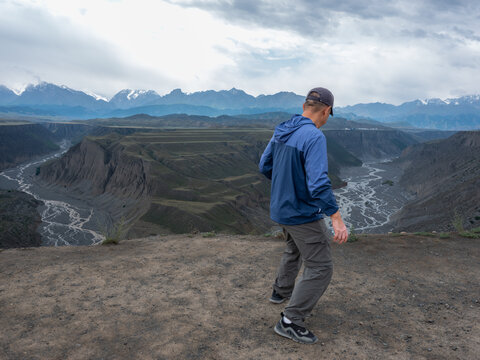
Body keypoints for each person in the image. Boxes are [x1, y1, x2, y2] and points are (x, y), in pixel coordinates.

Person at [259, 87, 348, 344]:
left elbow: (264, 166)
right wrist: (335, 217)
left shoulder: (282, 130)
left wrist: (284, 187)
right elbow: (319, 183)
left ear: (304, 105)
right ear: (326, 110)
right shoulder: (314, 137)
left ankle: (280, 291)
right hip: (301, 213)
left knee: (293, 249)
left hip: (280, 208)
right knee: (321, 267)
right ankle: (290, 321)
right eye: (329, 114)